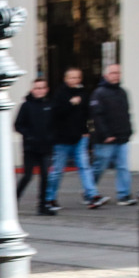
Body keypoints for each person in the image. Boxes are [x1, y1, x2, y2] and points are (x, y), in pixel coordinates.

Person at [47, 68, 97, 210]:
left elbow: (88, 114)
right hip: (62, 139)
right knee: (57, 170)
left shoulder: (84, 94)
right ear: (65, 79)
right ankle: (50, 198)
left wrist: (88, 131)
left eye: (76, 78)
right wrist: (71, 103)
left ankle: (92, 194)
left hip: (80, 138)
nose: (74, 80)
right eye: (71, 77)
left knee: (85, 167)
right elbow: (56, 113)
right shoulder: (59, 94)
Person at [88, 64, 136, 207]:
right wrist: (106, 134)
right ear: (106, 75)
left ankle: (124, 195)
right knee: (99, 167)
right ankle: (89, 190)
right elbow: (97, 117)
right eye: (113, 73)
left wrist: (129, 131)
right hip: (105, 139)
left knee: (123, 167)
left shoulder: (123, 92)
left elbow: (127, 113)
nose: (116, 75)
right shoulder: (99, 93)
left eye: (118, 73)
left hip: (122, 137)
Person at [14, 78, 56, 215]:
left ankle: (42, 205)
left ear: (46, 89)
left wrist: (52, 137)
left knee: (45, 176)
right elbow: (18, 125)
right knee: (27, 176)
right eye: (37, 88)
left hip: (46, 147)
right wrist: (29, 135)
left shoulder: (50, 105)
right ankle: (13, 201)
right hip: (31, 147)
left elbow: (55, 124)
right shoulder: (26, 106)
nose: (39, 91)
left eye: (42, 88)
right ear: (32, 90)